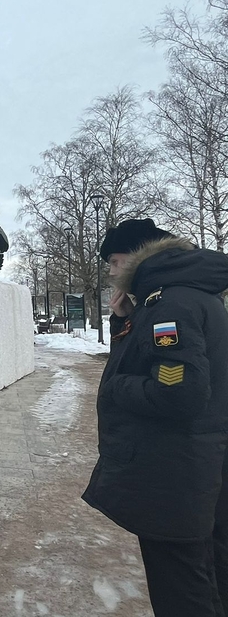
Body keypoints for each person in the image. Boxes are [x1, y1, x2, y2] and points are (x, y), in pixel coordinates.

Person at [81, 218, 228, 616]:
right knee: (206, 573)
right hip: (197, 466)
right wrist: (123, 322)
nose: (110, 271)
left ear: (137, 255)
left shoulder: (170, 305)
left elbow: (179, 392)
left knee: (182, 589)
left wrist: (118, 387)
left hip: (174, 475)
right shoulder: (188, 295)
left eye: (113, 261)